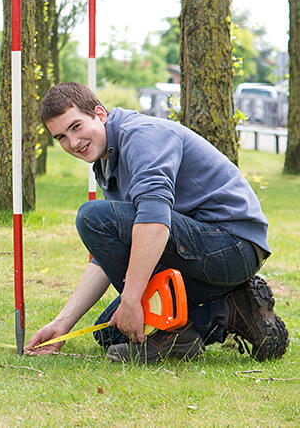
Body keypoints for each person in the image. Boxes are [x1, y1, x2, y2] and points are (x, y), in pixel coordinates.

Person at [24, 82, 288, 363]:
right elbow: (106, 257)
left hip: (232, 245)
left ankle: (175, 333)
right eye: (61, 137)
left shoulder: (141, 137)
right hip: (199, 251)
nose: (72, 143)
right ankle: (231, 310)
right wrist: (62, 323)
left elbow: (153, 223)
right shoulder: (107, 158)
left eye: (76, 127)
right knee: (111, 332)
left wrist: (131, 300)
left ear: (99, 114)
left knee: (92, 217)